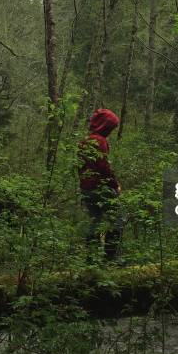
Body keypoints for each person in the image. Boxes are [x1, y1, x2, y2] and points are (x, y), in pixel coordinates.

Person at [78, 108, 122, 261]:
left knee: (94, 221)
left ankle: (91, 258)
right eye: (111, 127)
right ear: (105, 125)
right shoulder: (100, 141)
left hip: (86, 189)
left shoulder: (84, 141)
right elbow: (103, 167)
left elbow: (81, 167)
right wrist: (115, 185)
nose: (111, 130)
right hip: (100, 188)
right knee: (117, 220)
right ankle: (110, 258)